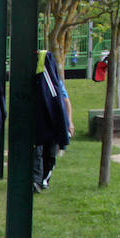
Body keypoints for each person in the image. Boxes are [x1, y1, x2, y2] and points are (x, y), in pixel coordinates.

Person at [33, 50, 74, 192]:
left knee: (49, 153)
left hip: (52, 124)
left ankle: (44, 179)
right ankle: (36, 180)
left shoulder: (55, 82)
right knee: (37, 151)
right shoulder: (36, 80)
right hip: (40, 123)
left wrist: (69, 122)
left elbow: (65, 102)